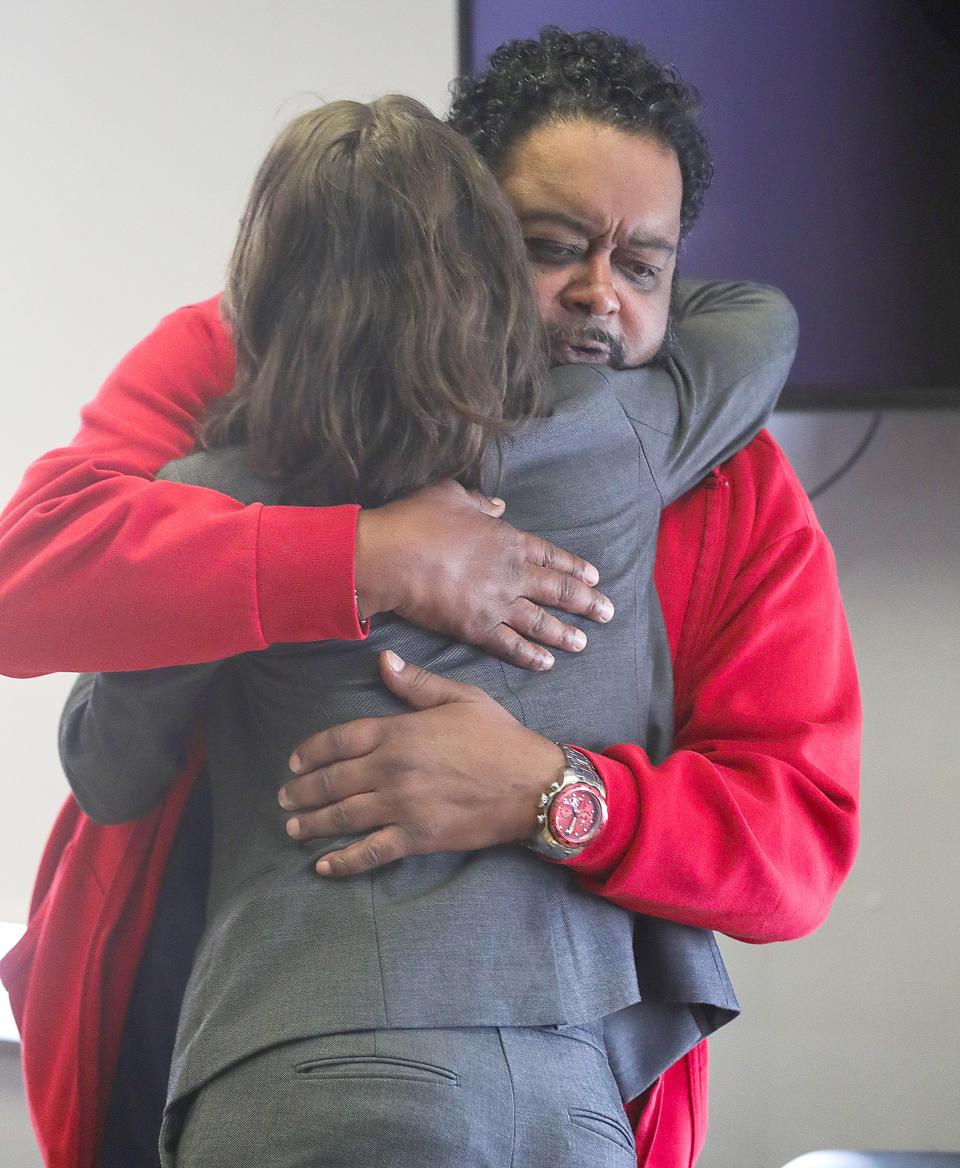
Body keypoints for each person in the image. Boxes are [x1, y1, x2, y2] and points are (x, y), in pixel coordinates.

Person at [0, 27, 859, 1168]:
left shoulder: (705, 463)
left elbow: (793, 839)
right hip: (210, 1025)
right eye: (551, 247)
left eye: (642, 265)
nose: (599, 296)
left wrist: (553, 794)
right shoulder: (234, 366)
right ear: (452, 229)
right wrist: (362, 556)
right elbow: (26, 580)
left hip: (532, 1067)